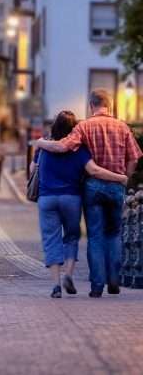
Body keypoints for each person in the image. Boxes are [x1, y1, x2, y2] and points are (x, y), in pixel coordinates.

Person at [36, 90, 142, 297]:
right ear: (109, 105)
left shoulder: (84, 126)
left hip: (92, 186)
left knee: (95, 236)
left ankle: (96, 286)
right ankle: (114, 279)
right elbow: (135, 158)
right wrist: (124, 177)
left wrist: (40, 143)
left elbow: (62, 146)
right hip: (116, 186)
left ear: (91, 106)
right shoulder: (122, 127)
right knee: (114, 233)